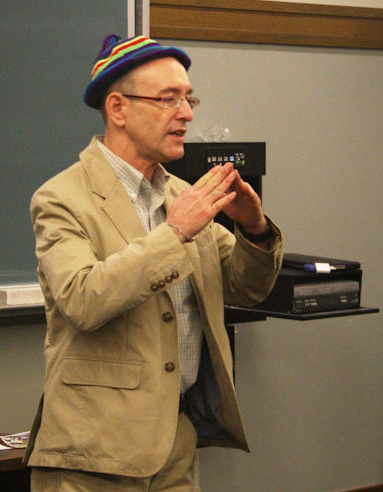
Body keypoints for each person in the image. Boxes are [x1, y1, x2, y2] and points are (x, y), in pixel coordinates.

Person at [24, 34, 283, 491]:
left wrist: (255, 230)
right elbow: (83, 300)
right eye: (168, 99)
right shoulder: (62, 198)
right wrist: (175, 233)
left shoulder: (184, 196)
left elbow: (246, 289)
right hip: (94, 454)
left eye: (188, 98)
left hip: (174, 446)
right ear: (118, 109)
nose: (186, 113)